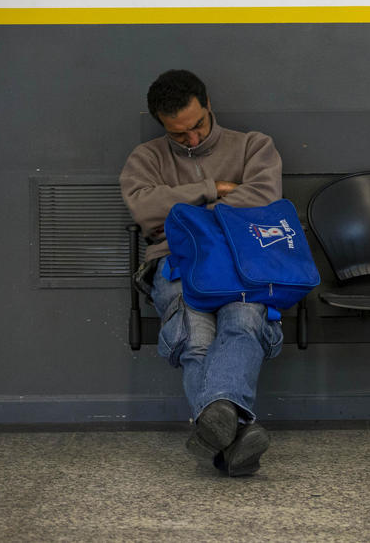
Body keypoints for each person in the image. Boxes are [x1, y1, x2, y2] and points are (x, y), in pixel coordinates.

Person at [120, 69, 283, 477]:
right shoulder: (146, 158)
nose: (192, 140)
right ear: (161, 125)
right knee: (195, 337)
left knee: (243, 320)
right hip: (175, 262)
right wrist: (215, 189)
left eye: (198, 126)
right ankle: (237, 435)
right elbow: (144, 209)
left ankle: (221, 433)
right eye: (179, 135)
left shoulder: (253, 146)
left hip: (240, 260)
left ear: (209, 105)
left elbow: (263, 199)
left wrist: (182, 215)